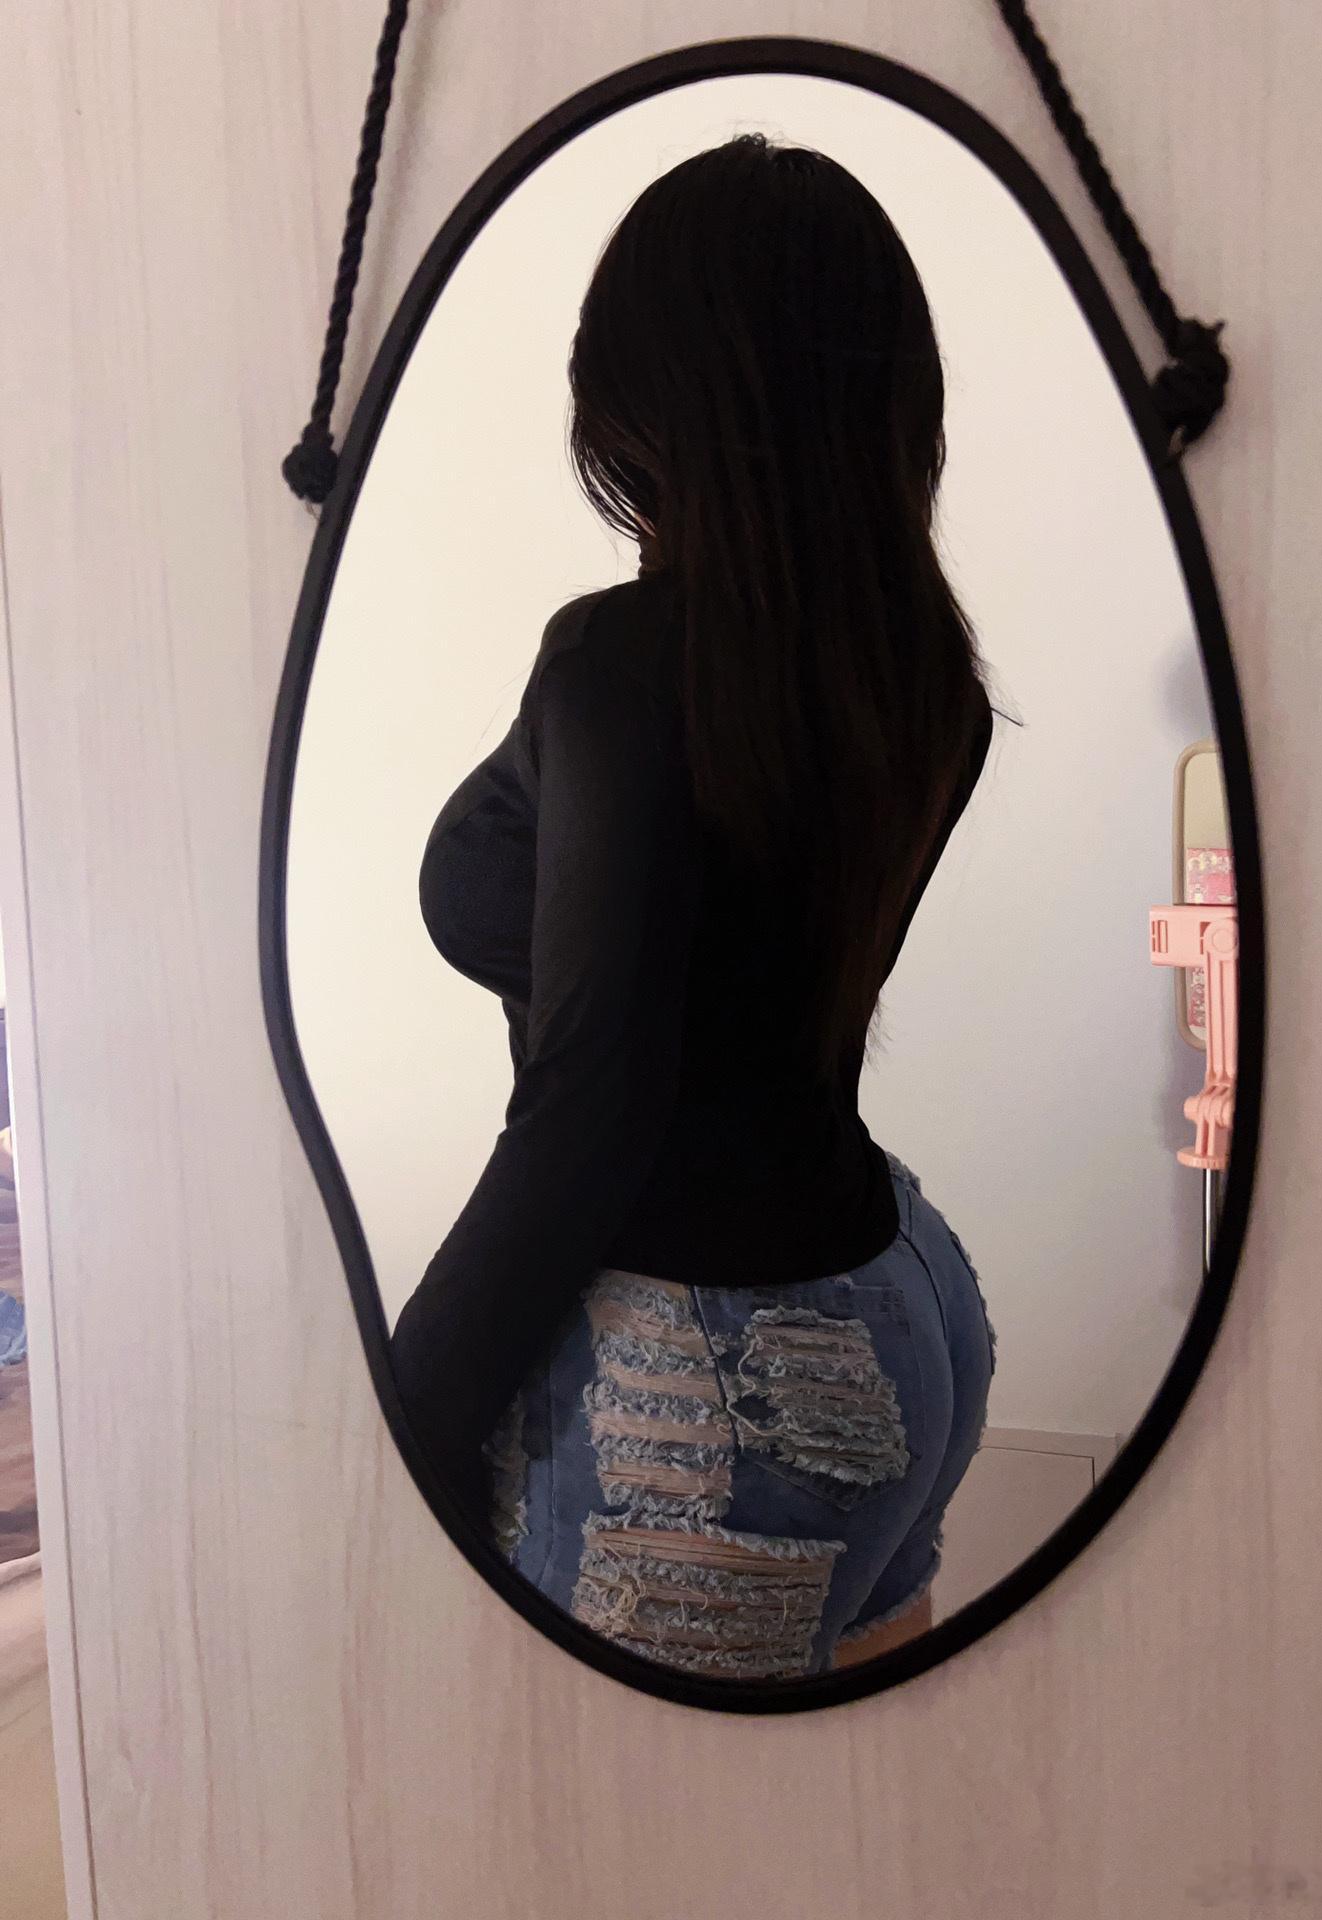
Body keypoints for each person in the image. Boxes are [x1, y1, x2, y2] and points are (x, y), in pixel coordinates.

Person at [391, 134, 997, 1680]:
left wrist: (400, 1435)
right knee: (863, 1799)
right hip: (902, 1301)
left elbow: (592, 1109)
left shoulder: (621, 667)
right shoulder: (923, 680)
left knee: (611, 1815)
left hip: (705, 1388)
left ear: (645, 392)